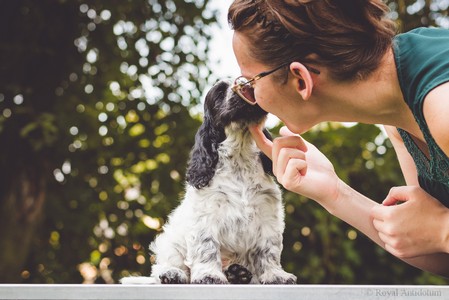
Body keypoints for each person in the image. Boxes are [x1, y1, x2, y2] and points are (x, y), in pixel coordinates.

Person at [228, 0, 449, 277]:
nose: (252, 99)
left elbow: (439, 235)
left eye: (249, 83)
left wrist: (442, 229)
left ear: (300, 79)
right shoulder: (397, 116)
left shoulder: (442, 105)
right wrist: (333, 192)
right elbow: (438, 255)